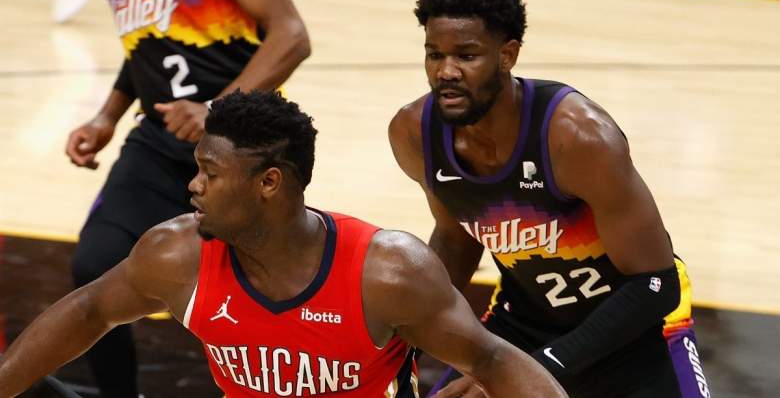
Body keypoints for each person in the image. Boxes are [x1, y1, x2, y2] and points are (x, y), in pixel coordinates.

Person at [0, 90, 567, 398]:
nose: (192, 185)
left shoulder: (386, 271)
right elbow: (89, 309)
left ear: (268, 183)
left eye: (210, 173)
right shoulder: (178, 255)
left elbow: (492, 359)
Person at [388, 0, 710, 398]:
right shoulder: (415, 134)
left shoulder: (576, 137)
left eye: (466, 56)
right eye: (434, 54)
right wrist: (401, 341)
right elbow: (456, 239)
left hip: (637, 331)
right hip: (525, 324)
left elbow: (656, 284)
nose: (446, 71)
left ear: (507, 55)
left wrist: (532, 374)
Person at [63, 0, 310, 396]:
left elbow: (292, 36)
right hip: (159, 141)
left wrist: (217, 107)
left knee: (263, 296)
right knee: (94, 265)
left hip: (243, 143)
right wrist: (107, 116)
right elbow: (147, 43)